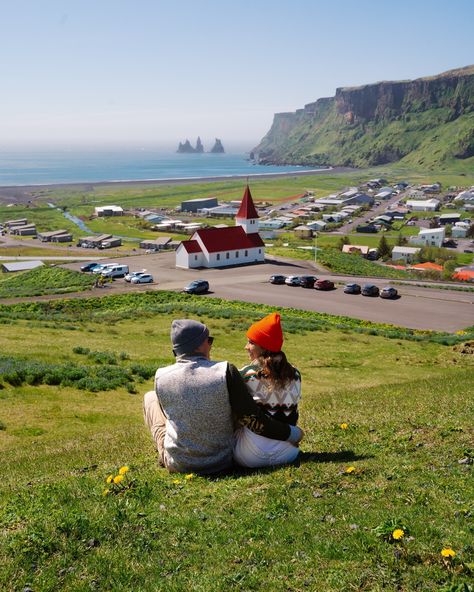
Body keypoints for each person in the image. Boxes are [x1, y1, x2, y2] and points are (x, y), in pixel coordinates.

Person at [143, 319, 303, 474]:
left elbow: (252, 417)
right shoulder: (225, 372)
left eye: (250, 342)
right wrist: (292, 432)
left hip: (180, 463)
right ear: (200, 345)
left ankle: (165, 450)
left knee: (151, 398)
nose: (211, 344)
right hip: (224, 460)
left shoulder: (161, 376)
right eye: (209, 340)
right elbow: (250, 415)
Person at [233, 312, 302, 468]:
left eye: (251, 342)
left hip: (249, 456)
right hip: (288, 454)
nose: (246, 347)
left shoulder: (247, 374)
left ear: (263, 346)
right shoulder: (296, 374)